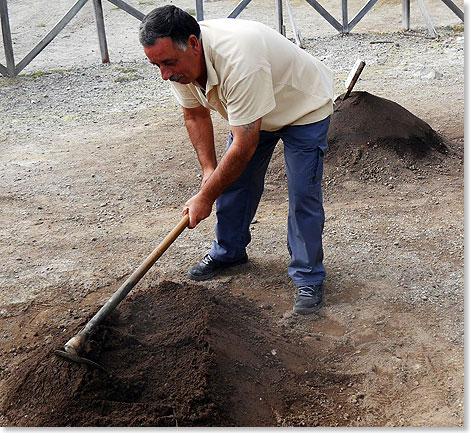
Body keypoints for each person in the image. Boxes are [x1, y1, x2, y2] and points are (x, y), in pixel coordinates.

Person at [139, 5, 333, 315]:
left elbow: (244, 145)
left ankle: (308, 277)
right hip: (252, 112)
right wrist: (208, 172)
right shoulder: (179, 65)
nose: (165, 75)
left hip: (301, 107)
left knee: (302, 195)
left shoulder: (240, 58)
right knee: (232, 184)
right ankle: (229, 252)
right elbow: (194, 113)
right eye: (156, 65)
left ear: (192, 43)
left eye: (168, 63)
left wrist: (205, 197)